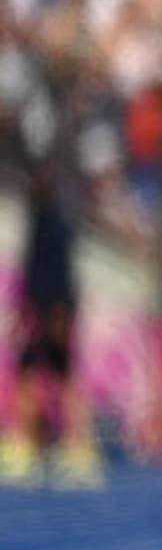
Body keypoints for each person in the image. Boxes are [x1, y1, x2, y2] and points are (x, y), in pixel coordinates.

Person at [0, 154, 104, 491]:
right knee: (46, 376)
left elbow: (55, 273)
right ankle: (56, 447)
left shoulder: (51, 222)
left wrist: (56, 313)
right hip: (45, 309)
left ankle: (62, 448)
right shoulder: (47, 219)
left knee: (45, 376)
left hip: (48, 310)